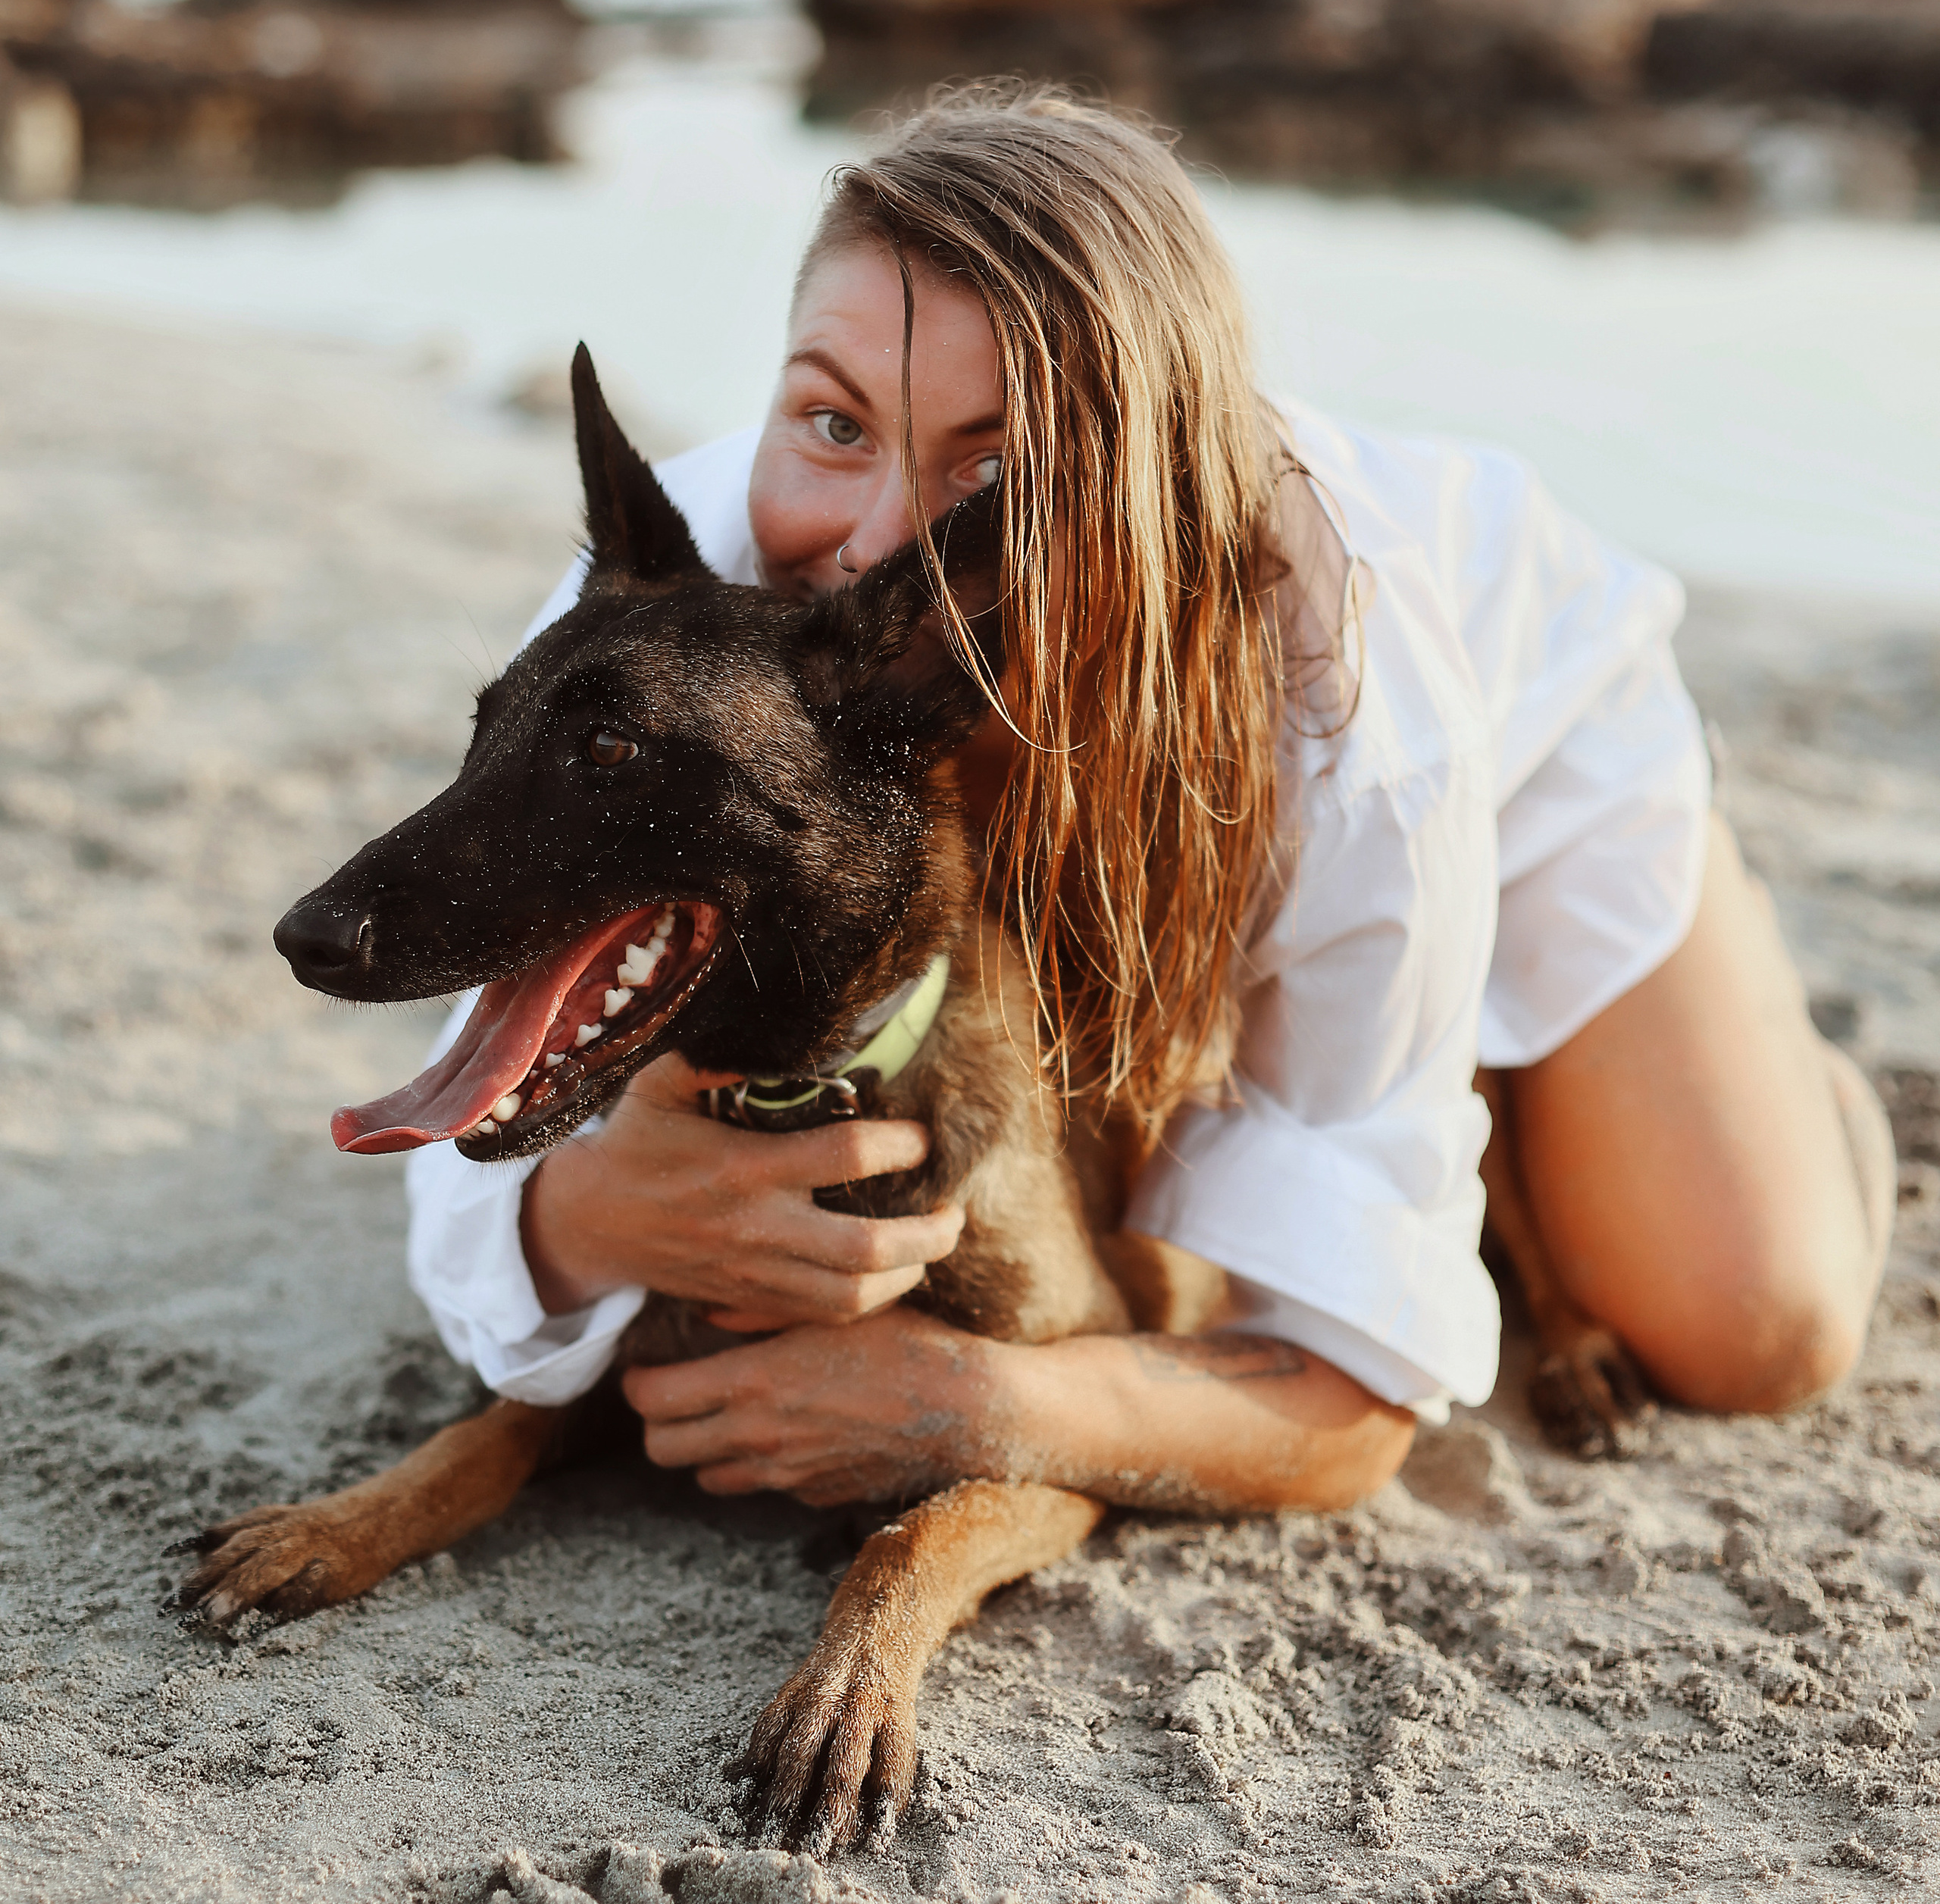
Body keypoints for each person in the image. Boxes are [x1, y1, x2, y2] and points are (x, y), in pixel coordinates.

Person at [405, 87, 1896, 1519]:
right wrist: (588, 1214)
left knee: (1750, 1335)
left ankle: (1721, 1050)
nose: (872, 546)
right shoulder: (675, 608)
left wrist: (987, 1402)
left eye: (1000, 472)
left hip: (1524, 748)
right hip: (1103, 793)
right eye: (835, 422)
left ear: (1135, 498)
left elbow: (1348, 1398)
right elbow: (469, 1121)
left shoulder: (1362, 729)